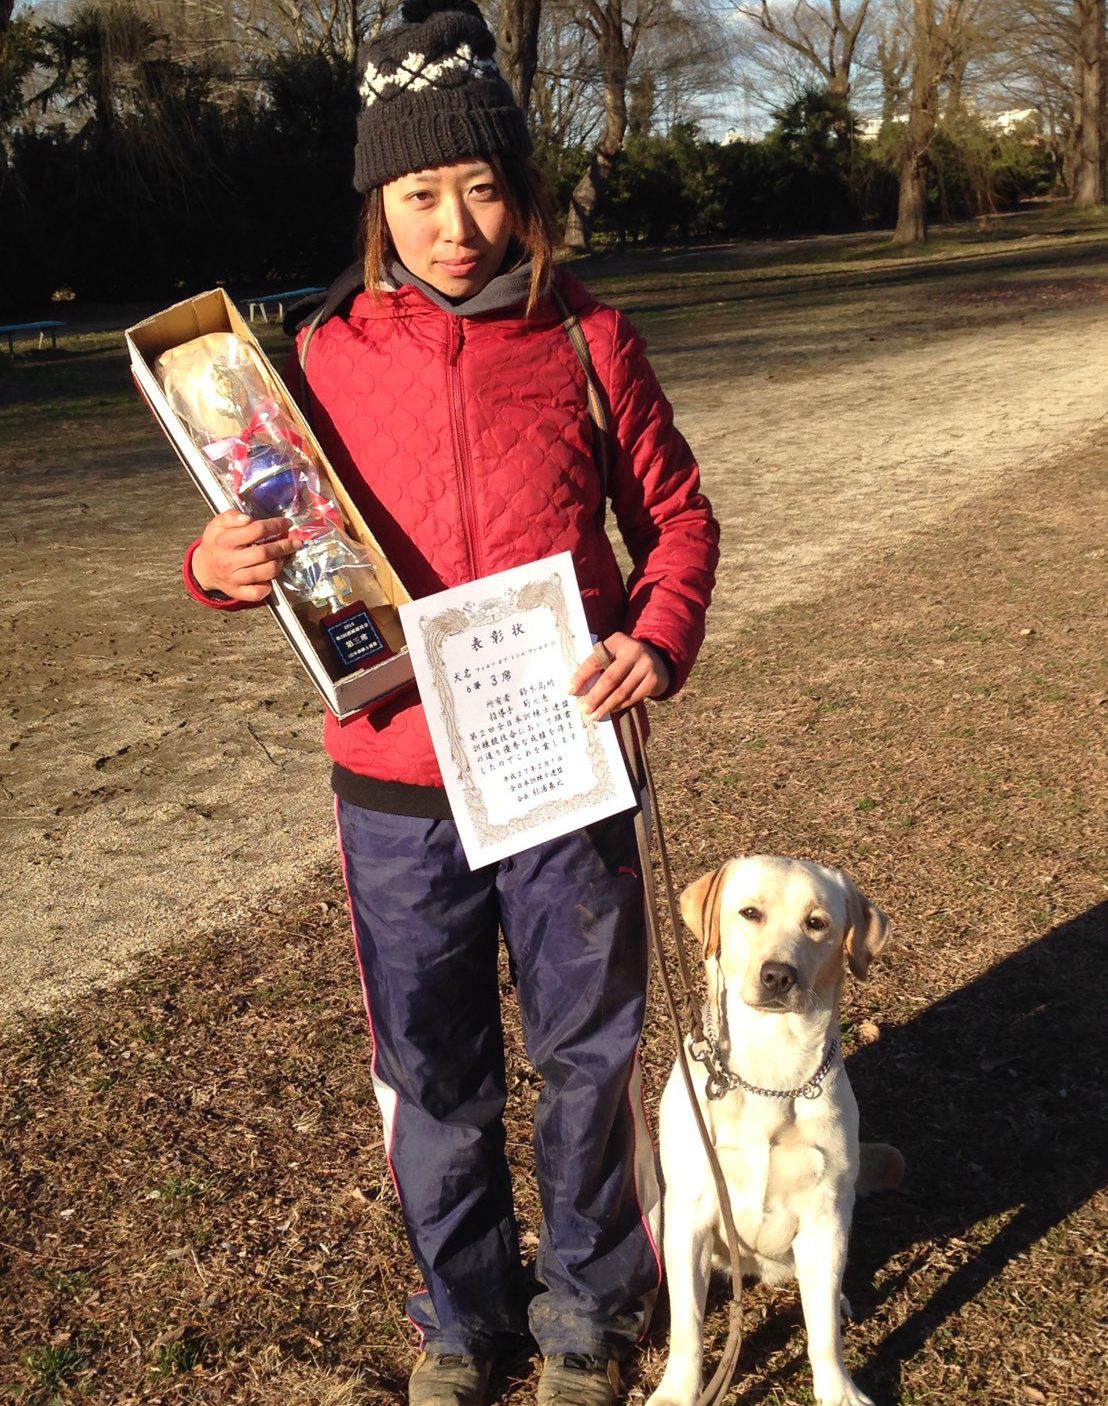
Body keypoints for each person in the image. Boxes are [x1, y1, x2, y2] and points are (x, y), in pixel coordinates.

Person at [182, 3, 719, 1403]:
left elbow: (677, 524)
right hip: (397, 785)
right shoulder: (315, 361)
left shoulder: (592, 342)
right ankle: (465, 1317)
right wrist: (216, 563)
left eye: (481, 186)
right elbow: (271, 542)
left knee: (591, 1055)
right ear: (380, 202)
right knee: (435, 1077)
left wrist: (654, 639)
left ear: (521, 189)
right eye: (421, 193)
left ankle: (591, 1315)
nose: (456, 224)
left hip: (565, 768)